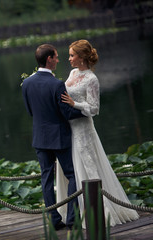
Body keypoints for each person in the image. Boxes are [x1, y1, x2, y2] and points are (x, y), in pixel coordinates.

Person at [56, 39, 140, 227]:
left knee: (87, 166)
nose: (69, 59)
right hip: (69, 127)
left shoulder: (92, 79)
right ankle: (72, 213)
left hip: (84, 129)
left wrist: (74, 104)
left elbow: (94, 109)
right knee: (71, 170)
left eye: (71, 55)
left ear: (82, 57)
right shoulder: (72, 72)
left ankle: (97, 210)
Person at [21, 44, 85, 230]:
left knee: (46, 177)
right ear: (49, 59)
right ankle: (72, 218)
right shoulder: (57, 84)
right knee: (72, 174)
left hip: (40, 138)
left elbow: (30, 111)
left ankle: (54, 220)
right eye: (56, 57)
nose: (58, 60)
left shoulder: (27, 83)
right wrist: (86, 110)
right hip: (59, 137)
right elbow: (67, 113)